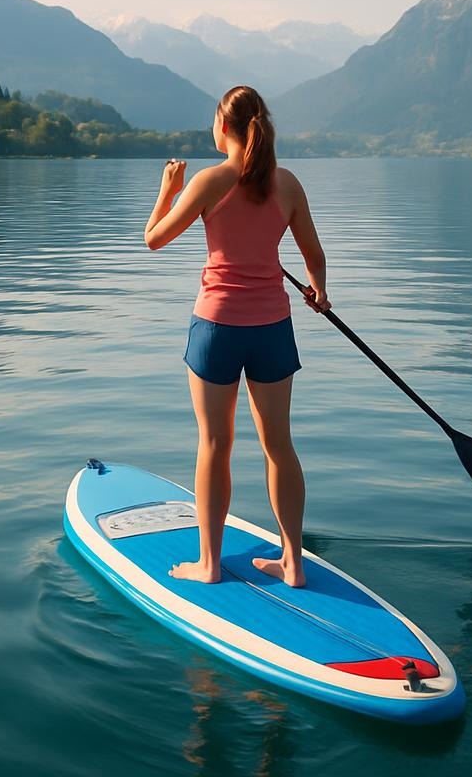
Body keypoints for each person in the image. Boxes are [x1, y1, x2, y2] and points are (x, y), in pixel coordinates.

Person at [145, 85, 330, 587]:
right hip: (271, 327)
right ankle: (293, 562)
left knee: (214, 443)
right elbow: (314, 254)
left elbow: (154, 239)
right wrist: (320, 291)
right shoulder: (287, 184)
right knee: (280, 446)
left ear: (222, 127)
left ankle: (209, 565)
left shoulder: (208, 181)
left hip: (217, 327)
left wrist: (167, 187)